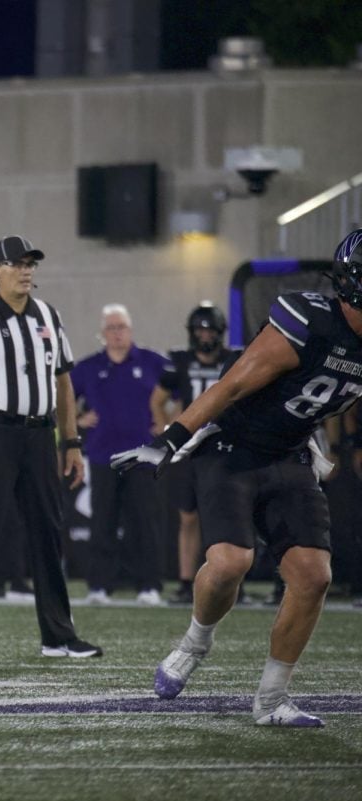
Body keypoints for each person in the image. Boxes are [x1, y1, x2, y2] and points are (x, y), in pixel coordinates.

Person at [112, 229, 362, 728]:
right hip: (233, 447)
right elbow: (231, 386)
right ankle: (194, 642)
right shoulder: (309, 321)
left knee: (314, 576)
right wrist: (169, 438)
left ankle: (271, 701)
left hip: (291, 453)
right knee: (230, 562)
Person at [0, 236, 101, 659]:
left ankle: (58, 635)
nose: (26, 271)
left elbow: (63, 383)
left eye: (31, 264)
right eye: (17, 263)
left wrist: (71, 442)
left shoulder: (48, 315)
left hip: (38, 436)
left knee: (47, 532)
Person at [70, 304, 170, 606]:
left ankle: (149, 586)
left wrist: (167, 423)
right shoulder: (87, 367)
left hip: (142, 456)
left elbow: (181, 394)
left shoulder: (153, 363)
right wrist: (77, 419)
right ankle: (99, 586)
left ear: (130, 330)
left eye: (121, 327)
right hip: (103, 456)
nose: (117, 333)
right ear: (102, 334)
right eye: (111, 328)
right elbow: (61, 397)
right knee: (103, 522)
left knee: (145, 523)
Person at [149, 301, 239, 605]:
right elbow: (157, 400)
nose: (204, 336)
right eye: (199, 330)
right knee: (188, 518)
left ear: (220, 333)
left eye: (209, 330)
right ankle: (186, 581)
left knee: (227, 517)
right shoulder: (180, 361)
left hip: (224, 447)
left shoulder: (234, 359)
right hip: (189, 449)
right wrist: (166, 432)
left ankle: (228, 581)